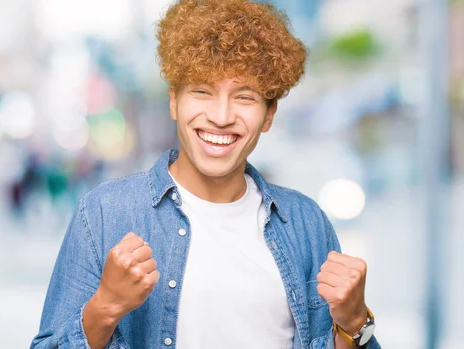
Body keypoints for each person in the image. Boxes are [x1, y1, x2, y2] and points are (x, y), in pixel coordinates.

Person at [31, 0, 381, 348]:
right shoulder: (105, 214)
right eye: (202, 91)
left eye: (244, 97)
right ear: (174, 101)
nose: (221, 116)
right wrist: (103, 308)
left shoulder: (306, 224)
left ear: (269, 114)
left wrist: (354, 323)